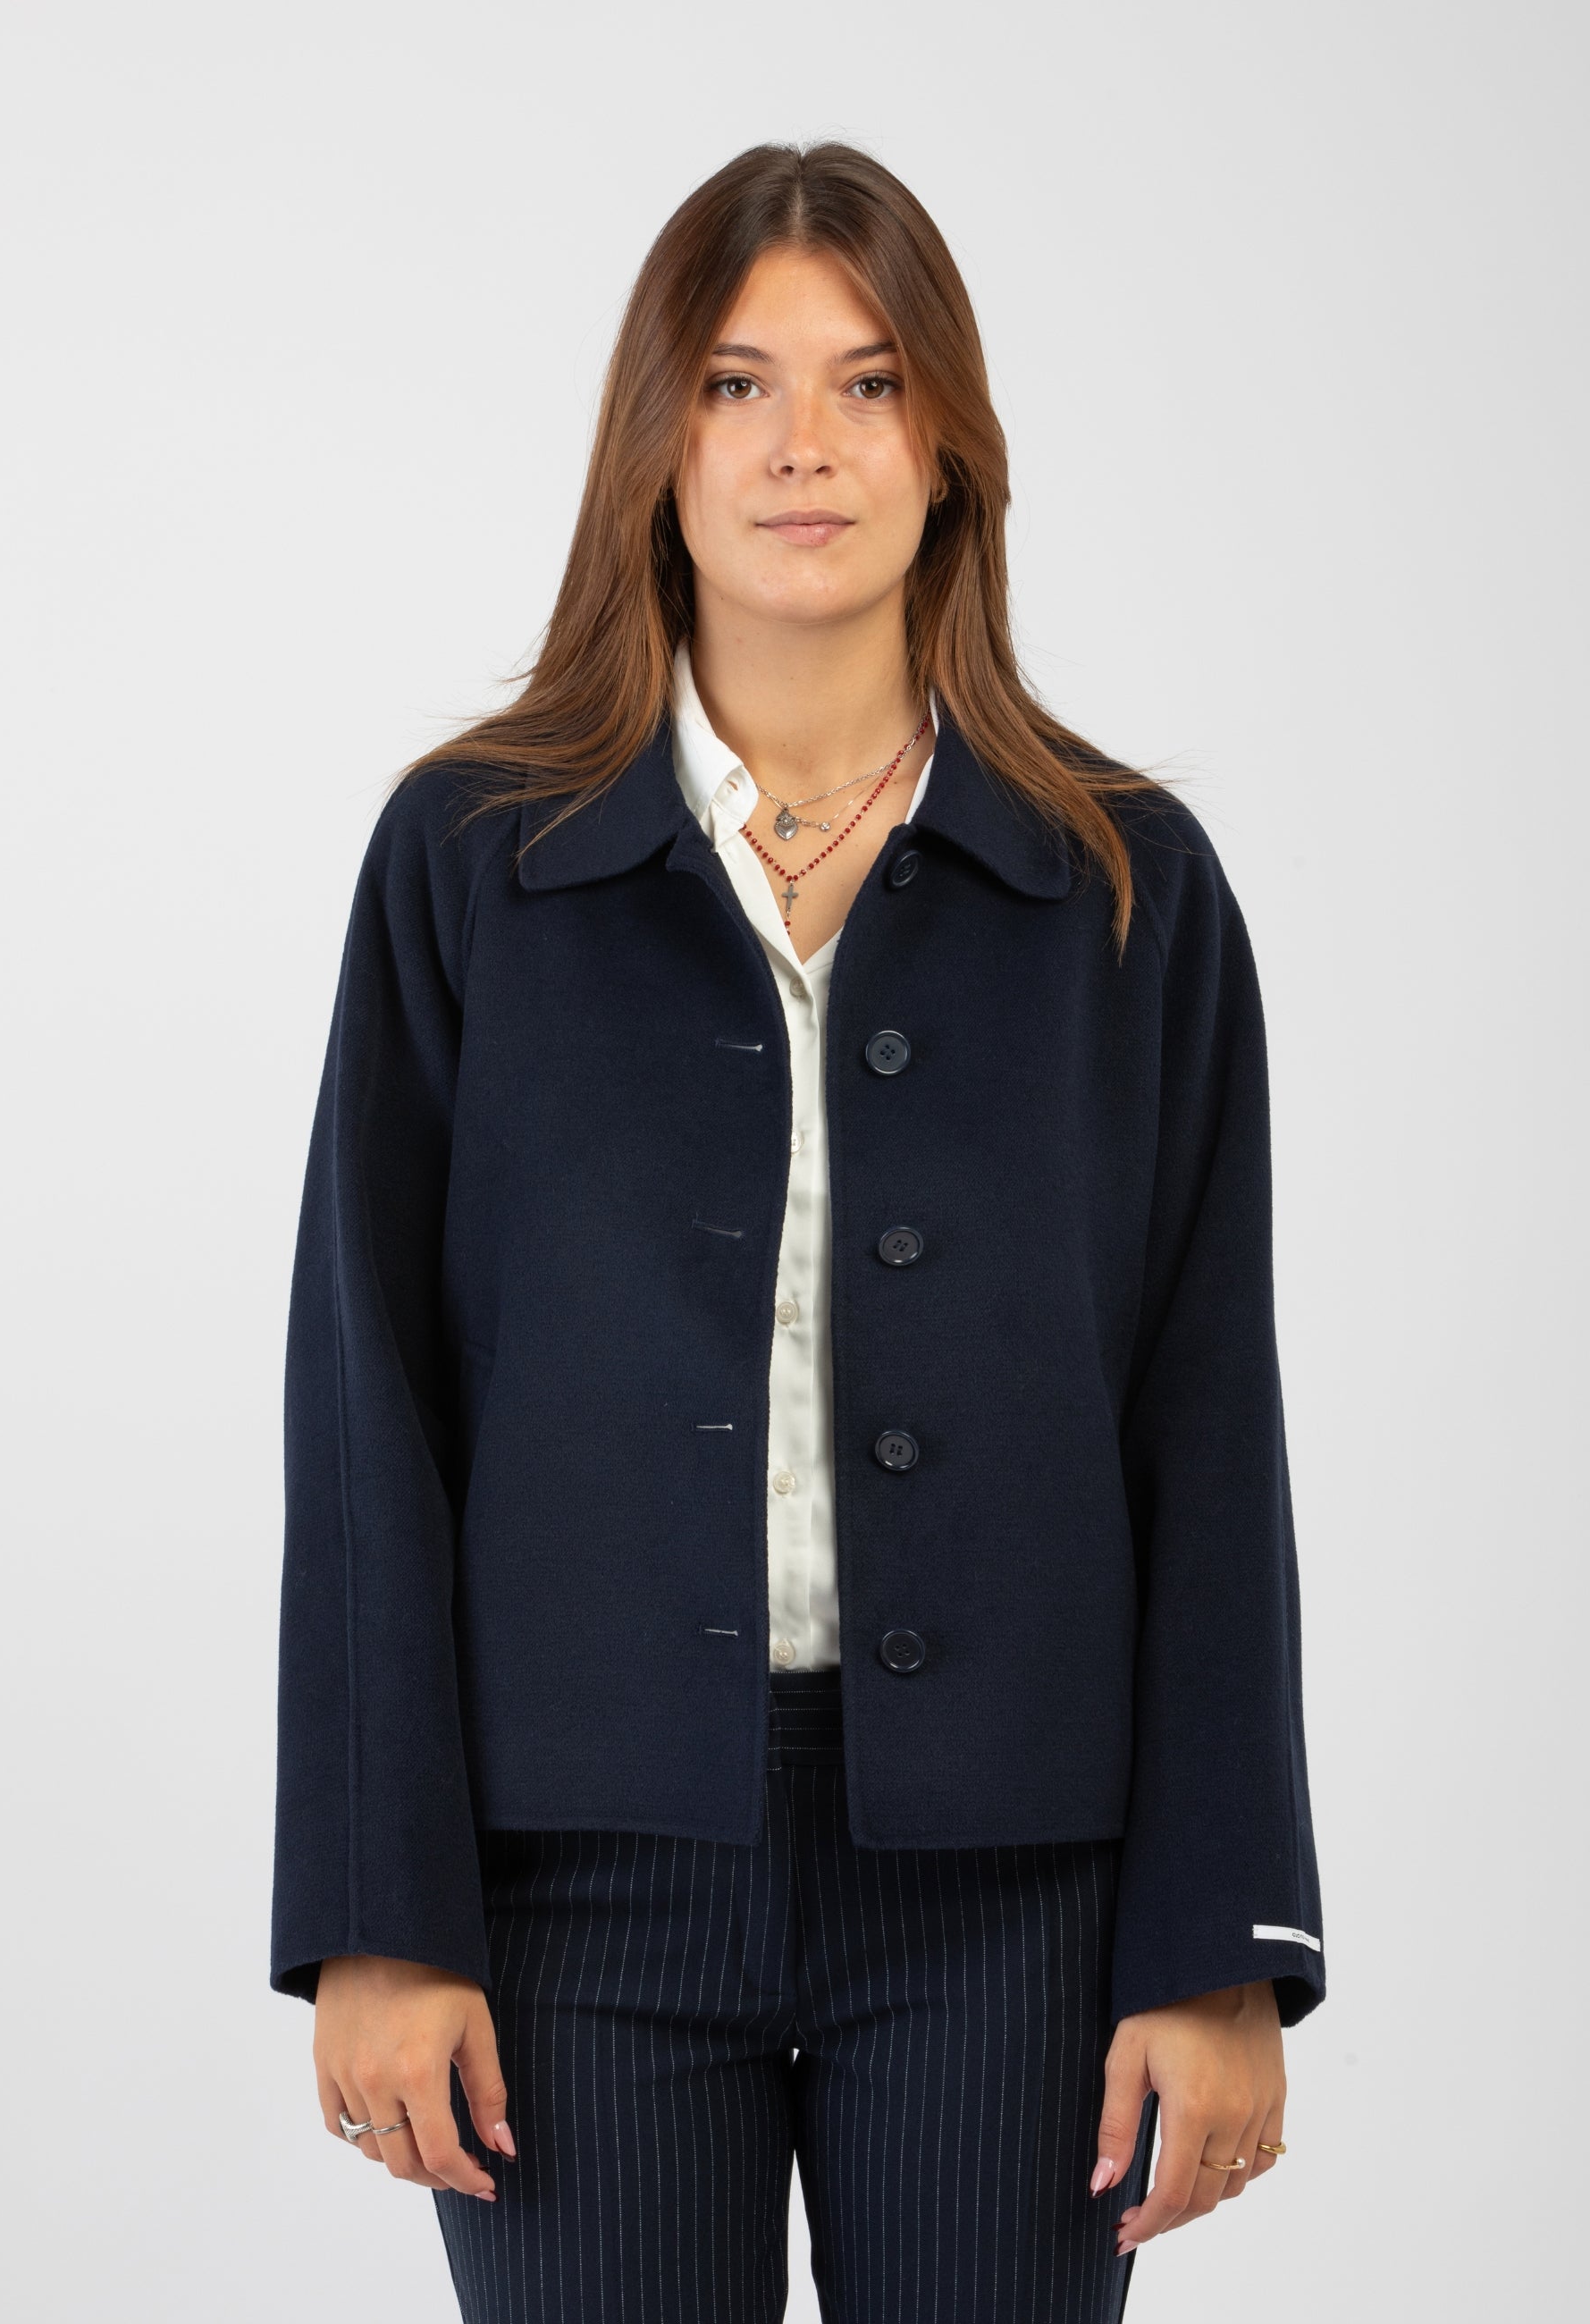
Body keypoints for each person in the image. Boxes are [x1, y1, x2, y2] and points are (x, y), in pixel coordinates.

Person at [271, 139, 1325, 2324]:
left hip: (1017, 1895)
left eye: (868, 383)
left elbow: (1209, 1419)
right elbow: (369, 1400)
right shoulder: (473, 864)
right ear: (657, 445)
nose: (802, 445)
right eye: (739, 385)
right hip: (573, 1890)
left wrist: (1221, 1937)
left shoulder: (1126, 886)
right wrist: (380, 1907)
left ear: (951, 448)